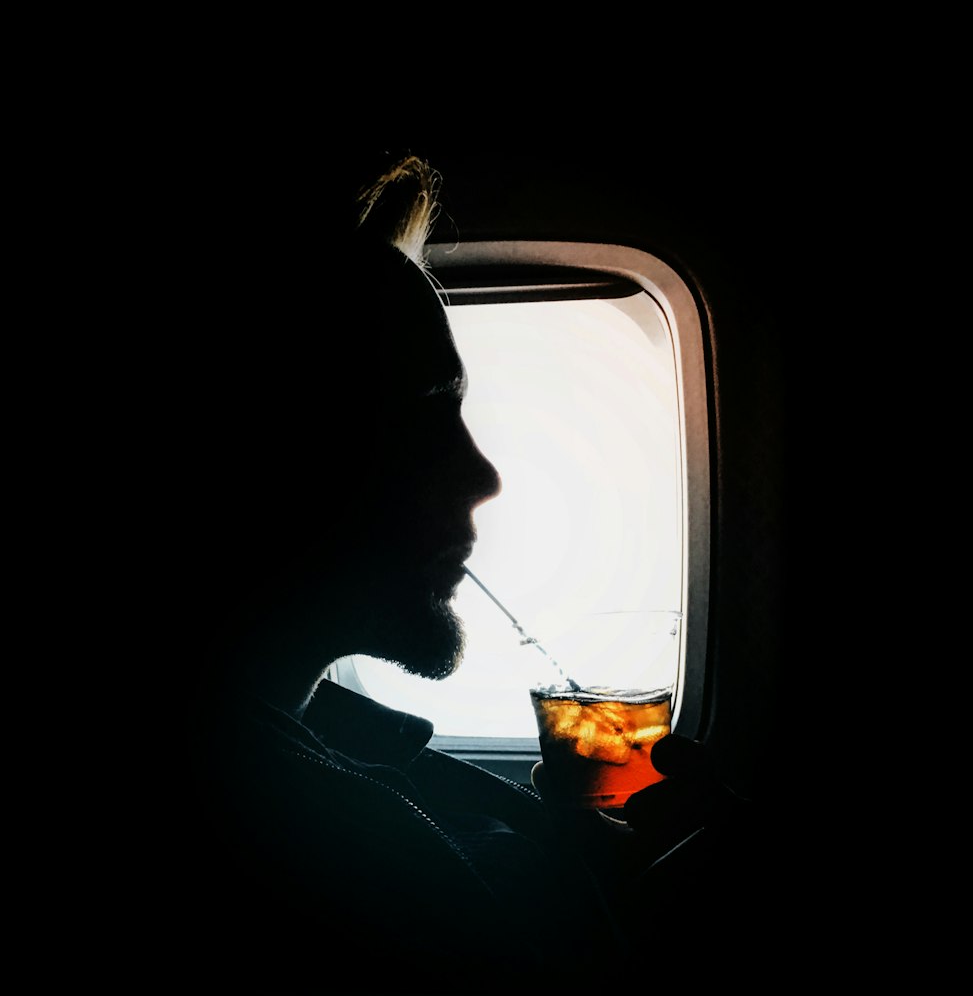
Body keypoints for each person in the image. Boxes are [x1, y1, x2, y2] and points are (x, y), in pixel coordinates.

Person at [170, 152, 745, 995]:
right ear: (273, 447)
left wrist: (588, 877)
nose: (483, 477)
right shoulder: (329, 851)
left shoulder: (340, 745)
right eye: (428, 411)